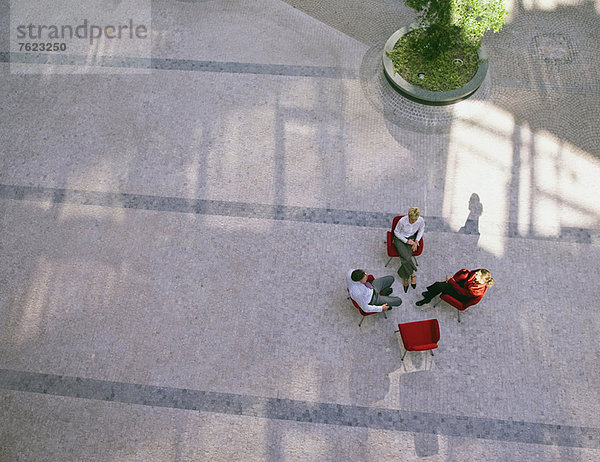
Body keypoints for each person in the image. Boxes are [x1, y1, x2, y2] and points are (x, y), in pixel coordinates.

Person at [415, 268, 494, 306]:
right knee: (439, 285)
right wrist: (455, 280)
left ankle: (428, 297)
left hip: (461, 295)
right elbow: (470, 273)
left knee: (440, 286)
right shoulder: (478, 274)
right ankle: (429, 295)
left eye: (477, 274)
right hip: (463, 286)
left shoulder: (477, 291)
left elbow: (462, 292)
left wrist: (451, 281)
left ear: (481, 280)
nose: (475, 273)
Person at [393, 207, 425, 292]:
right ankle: (412, 274)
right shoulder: (402, 221)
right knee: (407, 258)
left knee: (405, 258)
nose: (413, 221)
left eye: (415, 220)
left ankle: (405, 277)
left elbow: (421, 230)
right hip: (400, 239)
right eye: (411, 219)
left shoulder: (421, 220)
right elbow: (396, 232)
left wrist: (416, 241)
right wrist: (406, 241)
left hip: (412, 238)